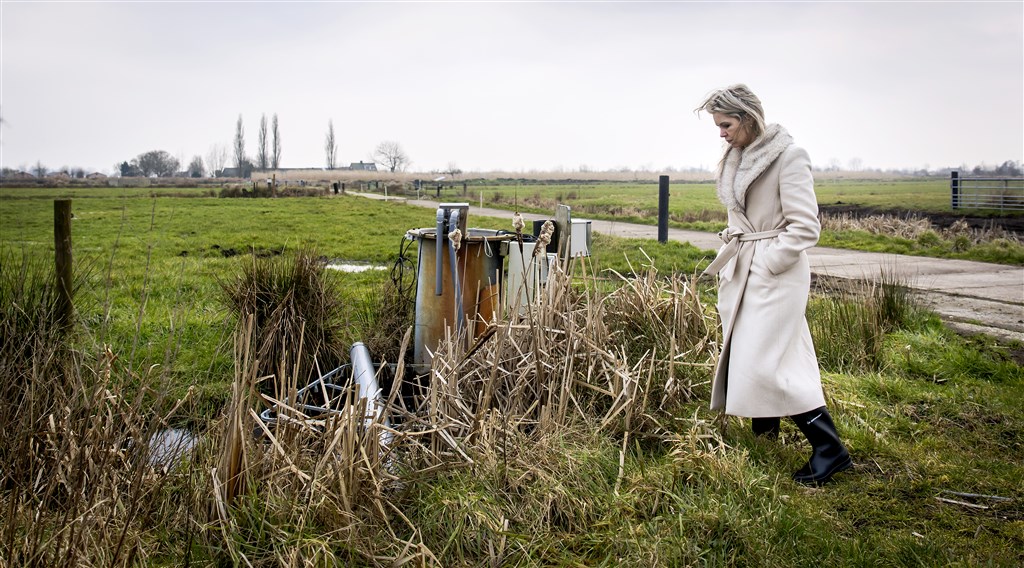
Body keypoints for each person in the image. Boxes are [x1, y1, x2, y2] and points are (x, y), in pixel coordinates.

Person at [695, 84, 852, 485]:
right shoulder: (736, 158)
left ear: (748, 118)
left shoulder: (789, 156)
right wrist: (740, 241)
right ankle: (766, 436)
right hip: (745, 269)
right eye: (717, 125)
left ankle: (829, 449)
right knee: (758, 354)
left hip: (775, 275)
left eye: (726, 124)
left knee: (765, 360)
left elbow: (805, 227)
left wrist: (768, 262)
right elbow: (746, 217)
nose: (721, 133)